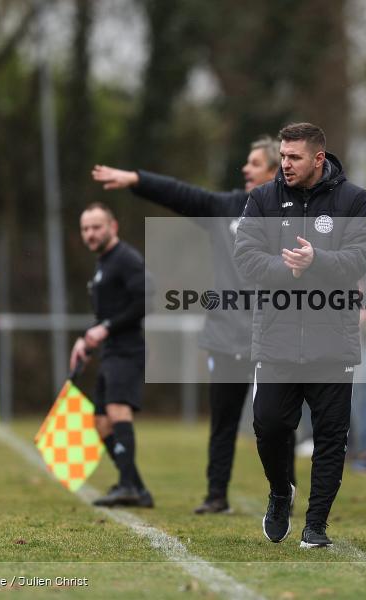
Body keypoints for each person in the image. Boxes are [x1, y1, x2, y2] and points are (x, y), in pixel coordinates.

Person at [91, 138, 297, 515]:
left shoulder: (292, 212)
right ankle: (216, 494)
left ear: (274, 170)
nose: (245, 169)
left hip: (273, 336)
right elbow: (180, 194)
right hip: (226, 335)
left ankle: (285, 491)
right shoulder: (226, 208)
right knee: (223, 421)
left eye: (254, 163)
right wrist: (136, 179)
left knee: (277, 421)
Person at [234, 122, 366, 548]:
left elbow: (361, 258)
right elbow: (245, 258)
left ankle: (316, 525)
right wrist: (288, 269)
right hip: (277, 341)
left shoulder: (354, 199)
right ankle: (281, 492)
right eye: (283, 156)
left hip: (332, 341)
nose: (286, 164)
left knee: (331, 437)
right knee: (270, 426)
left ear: (318, 158)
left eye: (294, 157)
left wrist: (317, 260)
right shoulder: (262, 199)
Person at [70, 202, 153, 508]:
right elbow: (109, 314)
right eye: (85, 229)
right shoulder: (103, 262)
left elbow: (145, 302)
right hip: (110, 351)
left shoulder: (126, 259)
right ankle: (135, 487)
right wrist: (86, 341)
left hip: (128, 351)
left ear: (112, 227)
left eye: (96, 227)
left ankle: (129, 486)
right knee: (101, 421)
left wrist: (105, 329)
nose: (90, 234)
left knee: (118, 411)